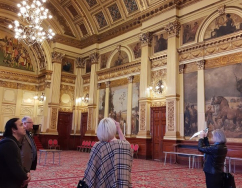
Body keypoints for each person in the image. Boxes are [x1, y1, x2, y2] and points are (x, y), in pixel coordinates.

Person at [83, 118, 133, 188]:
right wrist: (119, 129)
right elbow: (125, 143)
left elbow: (91, 170)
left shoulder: (98, 146)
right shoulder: (123, 145)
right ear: (114, 129)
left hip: (101, 183)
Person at [0, 118, 31, 188]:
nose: (24, 127)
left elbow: (18, 163)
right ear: (13, 129)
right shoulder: (9, 144)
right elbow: (15, 168)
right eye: (21, 125)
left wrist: (26, 172)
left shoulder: (11, 142)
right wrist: (25, 177)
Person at [21, 116, 38, 188]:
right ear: (25, 123)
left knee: (25, 182)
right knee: (21, 183)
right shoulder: (21, 134)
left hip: (27, 165)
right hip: (22, 165)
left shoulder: (28, 133)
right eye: (31, 123)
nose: (32, 124)